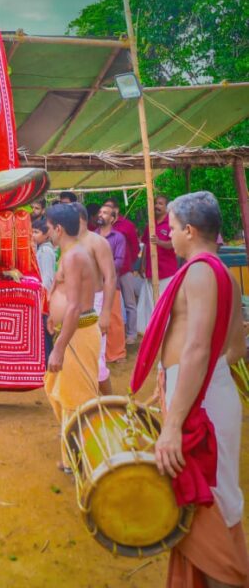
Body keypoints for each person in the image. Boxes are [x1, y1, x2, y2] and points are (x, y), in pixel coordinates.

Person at [131, 191, 247, 586]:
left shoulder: (199, 272)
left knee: (207, 510)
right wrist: (180, 377)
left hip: (201, 403)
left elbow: (198, 347)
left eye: (174, 228)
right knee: (214, 500)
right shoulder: (224, 275)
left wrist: (174, 421)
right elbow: (235, 347)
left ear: (190, 230)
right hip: (208, 390)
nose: (171, 235)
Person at [44, 203, 101, 472]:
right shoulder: (68, 253)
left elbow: (76, 306)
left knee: (75, 398)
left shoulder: (74, 256)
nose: (46, 233)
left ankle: (79, 460)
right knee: (56, 389)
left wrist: (58, 349)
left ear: (58, 228)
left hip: (78, 334)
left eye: (47, 228)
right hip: (71, 333)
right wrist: (52, 317)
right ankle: (75, 450)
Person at [73, 203, 118, 394]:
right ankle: (87, 406)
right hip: (75, 306)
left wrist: (106, 312)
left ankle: (114, 409)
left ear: (80, 219)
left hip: (96, 305)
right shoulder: (70, 242)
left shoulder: (98, 242)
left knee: (97, 360)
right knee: (78, 358)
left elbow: (111, 277)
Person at [137, 193, 178, 334]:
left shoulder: (172, 223)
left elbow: (174, 244)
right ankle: (152, 330)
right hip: (150, 271)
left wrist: (160, 242)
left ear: (167, 207)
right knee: (150, 302)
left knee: (166, 302)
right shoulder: (150, 224)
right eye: (155, 203)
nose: (156, 206)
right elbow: (146, 246)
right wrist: (142, 264)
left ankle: (168, 330)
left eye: (160, 204)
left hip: (166, 271)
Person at [96, 203, 135, 347]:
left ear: (113, 219)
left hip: (112, 284)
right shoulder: (92, 236)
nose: (101, 214)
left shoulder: (118, 237)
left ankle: (117, 353)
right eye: (100, 212)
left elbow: (118, 263)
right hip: (94, 287)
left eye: (105, 213)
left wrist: (98, 268)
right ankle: (100, 352)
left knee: (115, 320)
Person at [32, 217, 56, 365]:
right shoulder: (42, 248)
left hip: (44, 297)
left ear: (47, 234)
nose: (33, 235)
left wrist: (42, 298)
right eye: (32, 231)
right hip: (44, 296)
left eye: (36, 232)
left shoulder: (46, 251)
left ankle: (48, 361)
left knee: (46, 330)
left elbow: (47, 279)